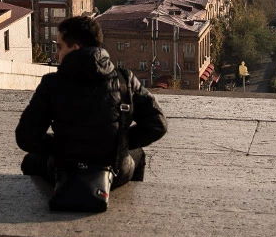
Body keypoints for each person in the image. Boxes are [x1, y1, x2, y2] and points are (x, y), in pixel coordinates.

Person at [15, 15, 167, 195]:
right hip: (114, 169)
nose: (56, 54)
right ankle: (116, 197)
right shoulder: (124, 79)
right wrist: (119, 141)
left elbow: (25, 136)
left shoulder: (52, 84)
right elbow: (158, 125)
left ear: (75, 48)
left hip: (66, 168)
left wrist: (59, 145)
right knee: (137, 155)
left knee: (31, 161)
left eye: (59, 47)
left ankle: (56, 198)